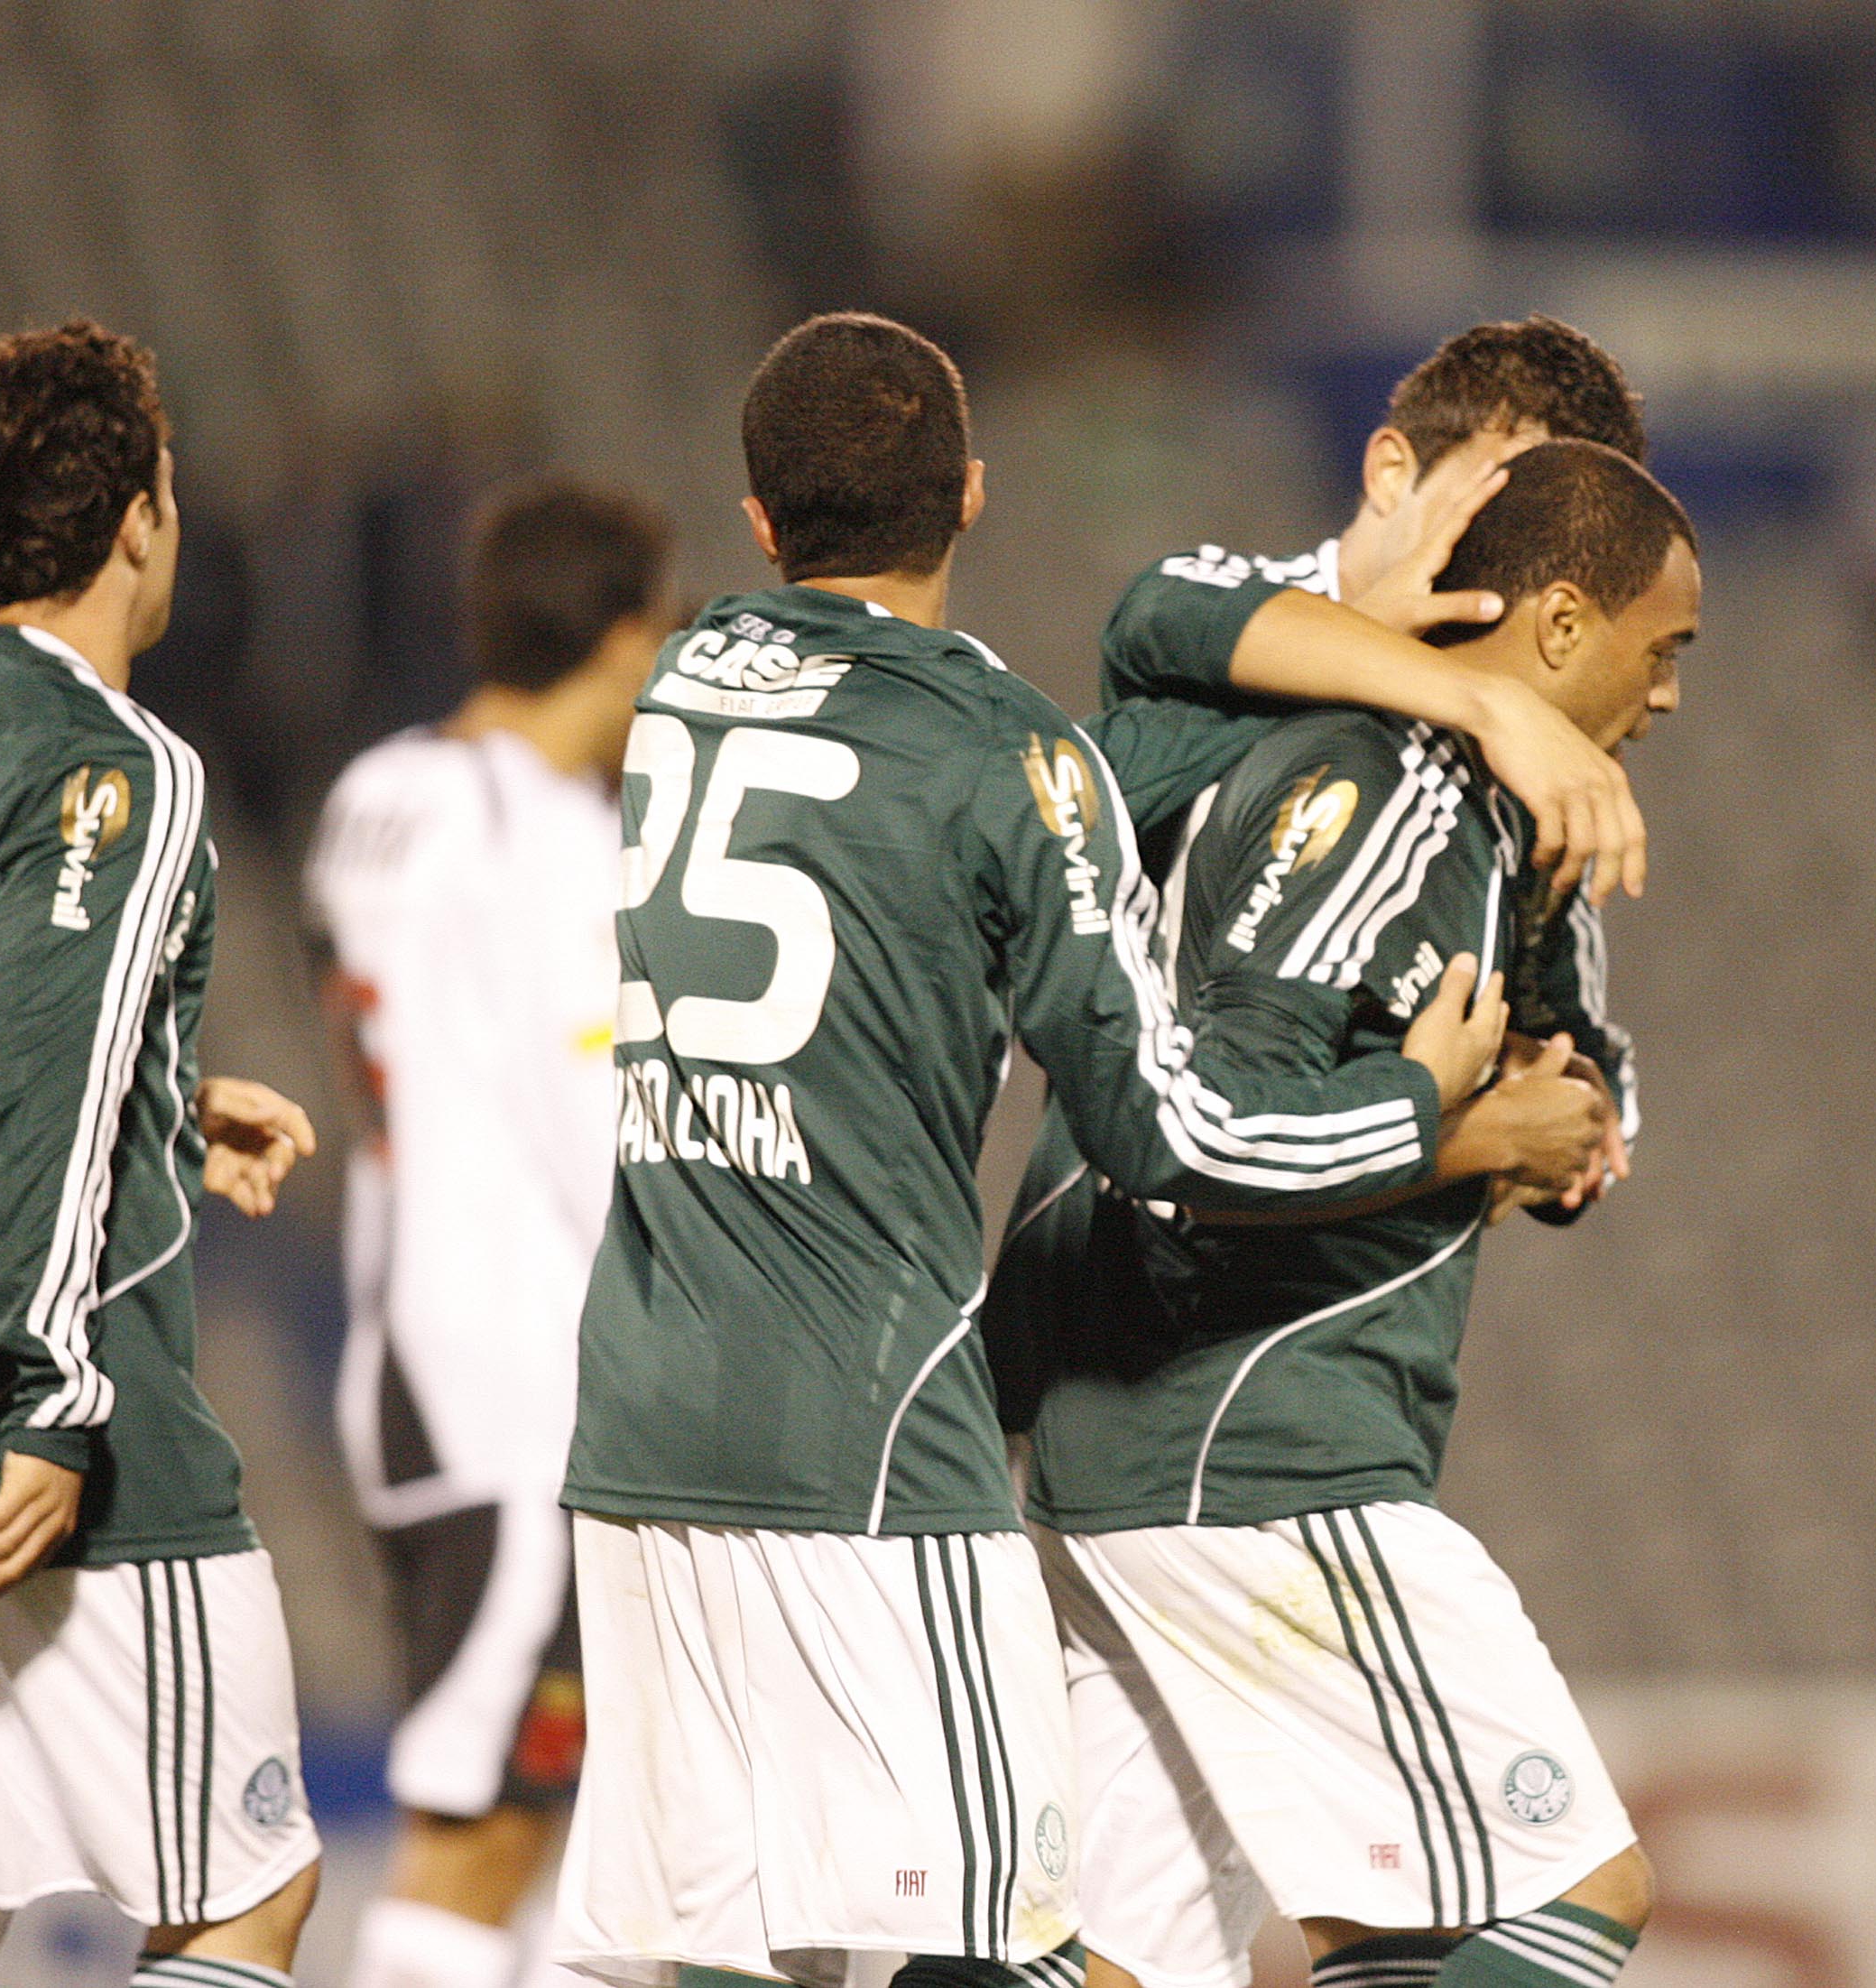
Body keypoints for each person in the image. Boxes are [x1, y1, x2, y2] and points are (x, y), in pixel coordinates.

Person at [547, 310, 1543, 1988]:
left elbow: (1095, 728)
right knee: (1020, 1944)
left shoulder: (681, 684)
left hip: (640, 1425)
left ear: (760, 523)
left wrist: (1328, 635)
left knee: (731, 1949)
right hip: (862, 1444)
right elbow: (1171, 1130)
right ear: (977, 495)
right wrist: (1422, 1104)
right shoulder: (1009, 759)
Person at [1012, 440, 1699, 1988]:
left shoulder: (1508, 828)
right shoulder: (1382, 787)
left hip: (1150, 1453)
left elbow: (1577, 1076)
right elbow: (1195, 1129)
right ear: (1563, 623)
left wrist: (1562, 1119)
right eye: (1662, 651)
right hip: (1252, 1447)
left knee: (1158, 1956)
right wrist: (1455, 1135)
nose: (1666, 698)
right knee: (1571, 1885)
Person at [0, 322, 321, 1988]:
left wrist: (167, 1097)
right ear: (133, 518)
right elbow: (34, 1078)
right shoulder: (115, 759)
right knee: (243, 1895)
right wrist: (49, 1391)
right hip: (57, 1442)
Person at [989, 315, 1655, 1432]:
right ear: (1391, 469)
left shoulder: (1523, 785)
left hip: (1283, 1367)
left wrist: (1568, 1110)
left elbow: (1587, 1056)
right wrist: (1476, 699)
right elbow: (1155, 614)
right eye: (1503, 502)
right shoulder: (1215, 624)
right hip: (1092, 1280)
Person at [304, 476, 674, 1988]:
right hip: (526, 1384)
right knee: (488, 1828)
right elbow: (586, 1120)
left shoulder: (375, 792)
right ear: (625, 634)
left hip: (405, 1348)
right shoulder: (554, 838)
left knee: (558, 1821)